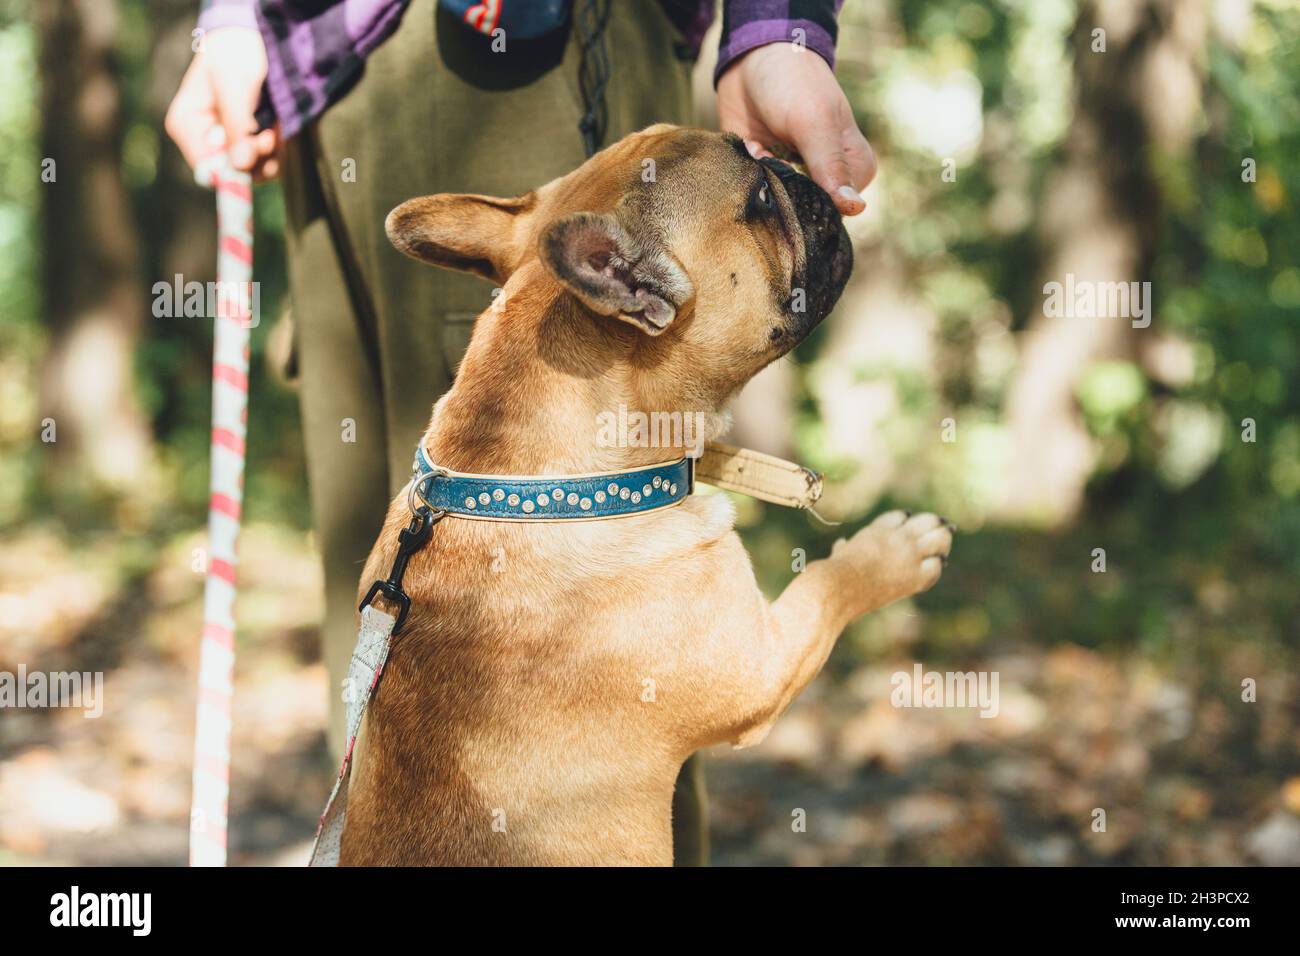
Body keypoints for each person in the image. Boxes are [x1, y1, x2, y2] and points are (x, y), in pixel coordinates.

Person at [166, 0, 875, 866]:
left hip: (546, 46)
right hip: (348, 71)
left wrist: (775, 28)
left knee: (615, 670)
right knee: (408, 664)